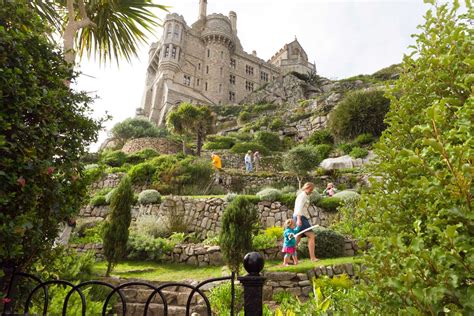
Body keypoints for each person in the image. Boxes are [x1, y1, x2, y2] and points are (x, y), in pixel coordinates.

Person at [293, 182, 319, 261]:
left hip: (300, 217)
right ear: (307, 188)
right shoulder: (302, 196)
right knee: (311, 236)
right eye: (311, 189)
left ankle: (290, 258)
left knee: (298, 237)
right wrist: (299, 219)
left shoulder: (304, 195)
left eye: (312, 190)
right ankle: (312, 258)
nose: (311, 191)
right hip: (300, 217)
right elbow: (298, 208)